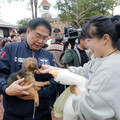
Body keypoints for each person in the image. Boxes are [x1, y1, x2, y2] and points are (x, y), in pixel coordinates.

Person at [37, 15, 120, 119]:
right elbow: (82, 71)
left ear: (105, 39)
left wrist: (77, 90)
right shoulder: (100, 59)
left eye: (89, 40)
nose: (88, 45)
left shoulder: (111, 68)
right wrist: (52, 69)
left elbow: (91, 110)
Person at [0, 18, 64, 120]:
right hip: (14, 115)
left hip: (42, 114)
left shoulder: (48, 55)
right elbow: (1, 75)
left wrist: (38, 93)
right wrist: (6, 89)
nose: (40, 41)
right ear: (28, 31)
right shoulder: (10, 49)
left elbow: (55, 80)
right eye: (38, 36)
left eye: (45, 38)